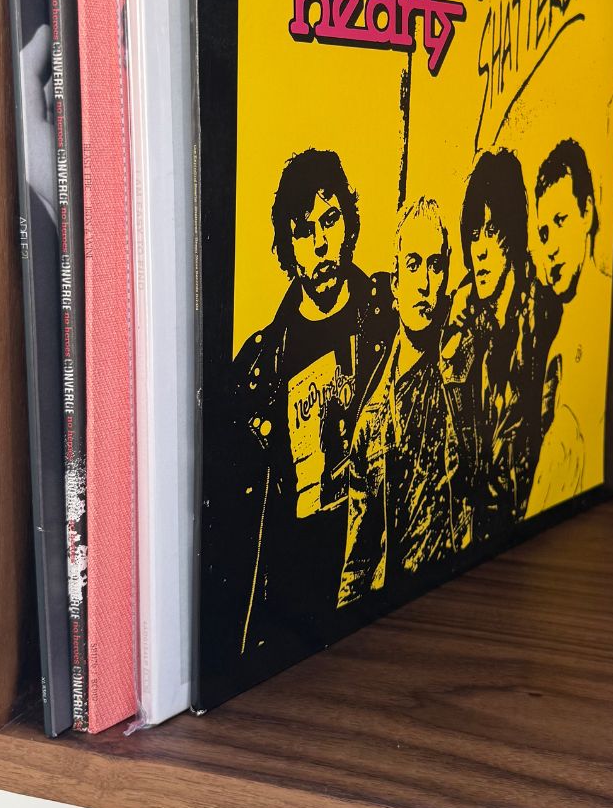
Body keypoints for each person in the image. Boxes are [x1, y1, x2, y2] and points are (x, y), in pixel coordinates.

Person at [225, 149, 394, 660]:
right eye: (303, 231)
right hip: (292, 593)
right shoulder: (258, 362)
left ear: (349, 223)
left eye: (330, 220)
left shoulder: (388, 318)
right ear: (287, 246)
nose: (321, 243)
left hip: (377, 580)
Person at [339, 197, 475, 606]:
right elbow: (357, 563)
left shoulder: (466, 376)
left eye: (436, 266)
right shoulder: (371, 418)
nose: (425, 283)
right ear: (396, 283)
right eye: (413, 265)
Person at [441, 148, 559, 542]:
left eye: (492, 231)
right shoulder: (462, 333)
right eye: (474, 234)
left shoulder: (544, 321)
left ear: (514, 232)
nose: (481, 249)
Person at [527, 139, 612, 516]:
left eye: (560, 222)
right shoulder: (556, 341)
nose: (551, 247)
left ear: (588, 213)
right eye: (544, 233)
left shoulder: (603, 307)